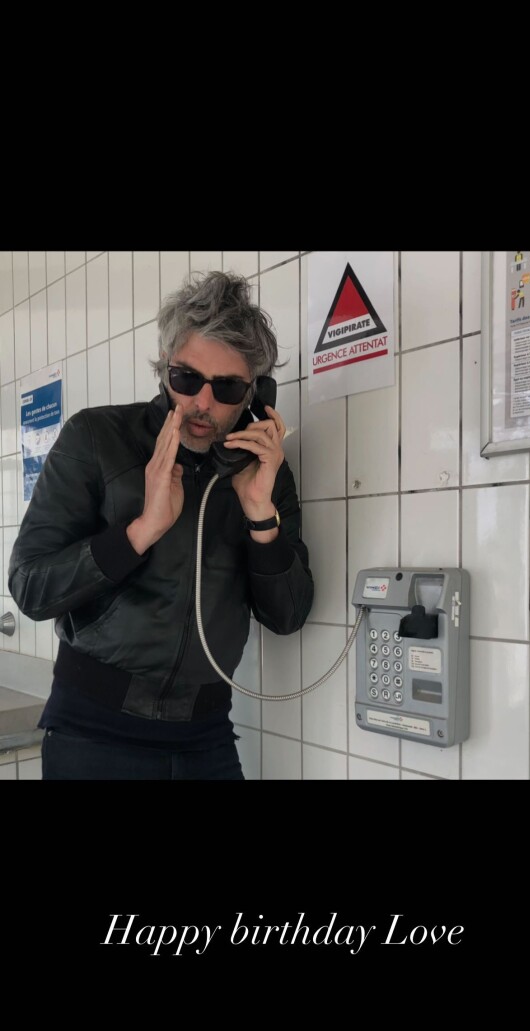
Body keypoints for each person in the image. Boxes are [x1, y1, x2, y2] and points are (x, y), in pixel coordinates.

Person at [8, 270, 314, 780]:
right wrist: (141, 532)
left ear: (256, 394)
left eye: (228, 387)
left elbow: (288, 616)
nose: (202, 403)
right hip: (93, 732)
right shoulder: (96, 438)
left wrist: (261, 515)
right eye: (187, 379)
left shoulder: (261, 471)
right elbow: (30, 588)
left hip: (206, 738)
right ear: (165, 370)